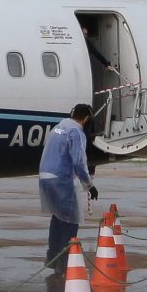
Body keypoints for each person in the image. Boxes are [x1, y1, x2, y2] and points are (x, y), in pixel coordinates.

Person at [36, 103, 99, 266]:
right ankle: (65, 260)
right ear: (86, 119)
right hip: (61, 179)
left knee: (58, 217)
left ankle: (52, 257)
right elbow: (79, 163)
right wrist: (89, 185)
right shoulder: (76, 132)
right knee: (72, 219)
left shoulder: (60, 126)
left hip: (45, 176)